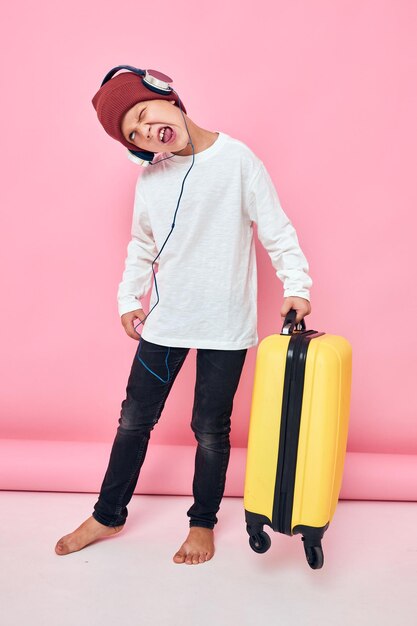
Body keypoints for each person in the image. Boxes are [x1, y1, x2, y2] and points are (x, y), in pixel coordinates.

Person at [54, 68, 312, 565]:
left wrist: (297, 285)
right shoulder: (151, 180)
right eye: (132, 133)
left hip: (225, 325)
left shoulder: (238, 160)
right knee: (134, 419)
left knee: (211, 427)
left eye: (145, 113)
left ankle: (202, 523)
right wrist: (129, 299)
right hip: (168, 322)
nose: (145, 129)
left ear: (169, 99)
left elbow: (276, 229)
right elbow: (142, 245)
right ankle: (109, 514)